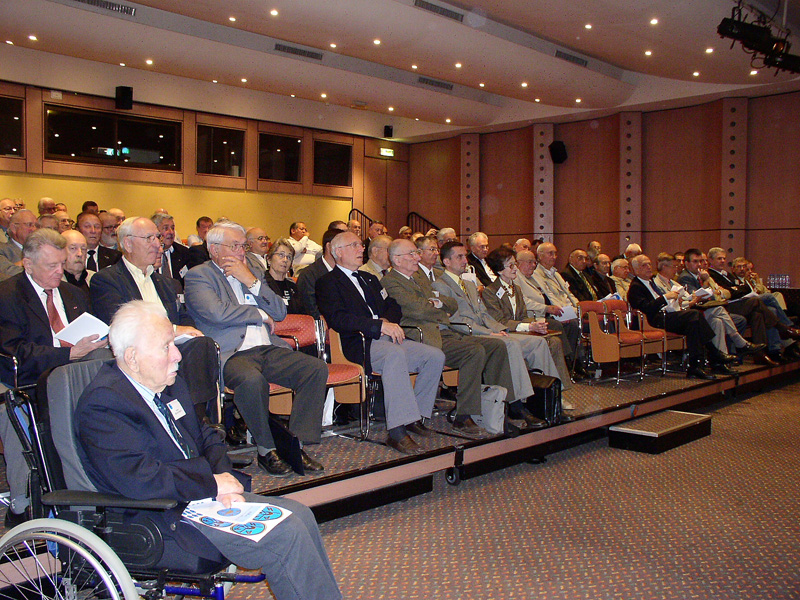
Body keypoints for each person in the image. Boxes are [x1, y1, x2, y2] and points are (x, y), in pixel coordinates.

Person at [75, 301, 341, 599]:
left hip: (198, 498)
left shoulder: (168, 383)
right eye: (166, 347)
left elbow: (207, 438)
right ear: (132, 358)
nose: (177, 355)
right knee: (286, 534)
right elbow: (140, 478)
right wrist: (212, 483)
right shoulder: (104, 404)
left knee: (301, 515)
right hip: (158, 518)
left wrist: (224, 481)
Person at [184, 221, 328, 476]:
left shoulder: (252, 272)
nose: (241, 252)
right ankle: (266, 449)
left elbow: (280, 312)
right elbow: (217, 313)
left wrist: (251, 282)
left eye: (243, 246)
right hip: (232, 353)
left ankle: (295, 445)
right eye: (234, 246)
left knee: (315, 368)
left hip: (267, 347)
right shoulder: (199, 276)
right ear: (214, 249)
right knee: (252, 381)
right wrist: (259, 315)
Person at [0, 228, 109, 527]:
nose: (60, 271)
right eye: (51, 266)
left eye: (62, 263)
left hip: (74, 374)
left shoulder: (74, 293)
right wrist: (67, 354)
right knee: (13, 414)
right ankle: (22, 502)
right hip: (28, 378)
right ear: (27, 264)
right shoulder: (7, 296)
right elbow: (14, 353)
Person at [316, 232, 447, 454]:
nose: (361, 249)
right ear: (338, 252)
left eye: (360, 245)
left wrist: (386, 321)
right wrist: (376, 325)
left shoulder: (369, 279)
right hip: (359, 342)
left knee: (434, 356)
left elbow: (393, 305)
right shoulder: (327, 282)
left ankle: (414, 416)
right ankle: (397, 432)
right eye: (354, 245)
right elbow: (338, 319)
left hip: (387, 337)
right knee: (394, 354)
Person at [90, 217, 218, 420]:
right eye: (149, 238)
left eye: (157, 237)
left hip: (173, 345)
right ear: (128, 244)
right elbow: (120, 324)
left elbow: (183, 315)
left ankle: (199, 417)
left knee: (203, 343)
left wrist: (189, 330)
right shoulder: (107, 280)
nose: (157, 244)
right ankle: (193, 420)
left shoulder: (164, 282)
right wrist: (174, 330)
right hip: (141, 349)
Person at [382, 238, 514, 434]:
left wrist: (436, 304)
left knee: (497, 345)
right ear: (397, 259)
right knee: (473, 351)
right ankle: (464, 415)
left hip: (446, 330)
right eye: (412, 254)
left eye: (417, 253)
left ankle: (501, 407)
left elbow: (451, 304)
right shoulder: (390, 281)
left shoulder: (418, 278)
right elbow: (418, 310)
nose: (417, 257)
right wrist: (436, 304)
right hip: (423, 336)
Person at [433, 241, 551, 428]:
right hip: (464, 334)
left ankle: (539, 399)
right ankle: (516, 405)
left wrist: (499, 329)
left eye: (465, 256)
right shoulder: (440, 286)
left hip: (481, 330)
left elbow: (484, 315)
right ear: (446, 262)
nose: (465, 261)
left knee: (514, 341)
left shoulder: (469, 284)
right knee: (509, 344)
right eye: (459, 257)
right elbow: (457, 321)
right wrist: (489, 332)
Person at [483, 247, 573, 392]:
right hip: (505, 333)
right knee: (541, 344)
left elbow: (523, 316)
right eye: (511, 265)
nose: (515, 269)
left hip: (520, 331)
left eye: (515, 264)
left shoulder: (516, 289)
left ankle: (561, 389)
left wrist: (535, 324)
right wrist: (529, 327)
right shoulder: (490, 292)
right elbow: (500, 321)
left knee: (555, 342)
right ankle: (548, 391)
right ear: (500, 270)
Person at [627, 254, 722, 380]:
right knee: (695, 315)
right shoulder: (635, 287)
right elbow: (646, 308)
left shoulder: (650, 282)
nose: (649, 267)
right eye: (644, 265)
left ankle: (697, 366)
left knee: (694, 324)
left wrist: (674, 301)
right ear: (636, 270)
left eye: (649, 264)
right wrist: (665, 298)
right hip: (653, 320)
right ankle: (714, 355)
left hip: (665, 315)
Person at [296, 228, 339, 320]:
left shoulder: (346, 272)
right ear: (329, 247)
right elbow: (311, 310)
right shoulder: (309, 275)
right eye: (343, 246)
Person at [264, 238, 307, 315]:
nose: (285, 260)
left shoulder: (293, 286)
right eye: (281, 255)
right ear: (269, 259)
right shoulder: (262, 283)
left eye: (289, 257)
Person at [153, 212, 191, 289]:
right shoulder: (148, 254)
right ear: (155, 231)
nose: (171, 232)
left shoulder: (184, 252)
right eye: (166, 228)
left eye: (173, 228)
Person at [0, 208, 36, 278]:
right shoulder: (3, 250)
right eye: (29, 225)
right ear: (14, 228)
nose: (34, 229)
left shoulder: (41, 248)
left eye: (35, 225)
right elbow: (8, 271)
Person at [61, 229, 93, 297]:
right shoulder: (54, 281)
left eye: (83, 249)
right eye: (73, 248)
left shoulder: (94, 279)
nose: (80, 254)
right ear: (60, 251)